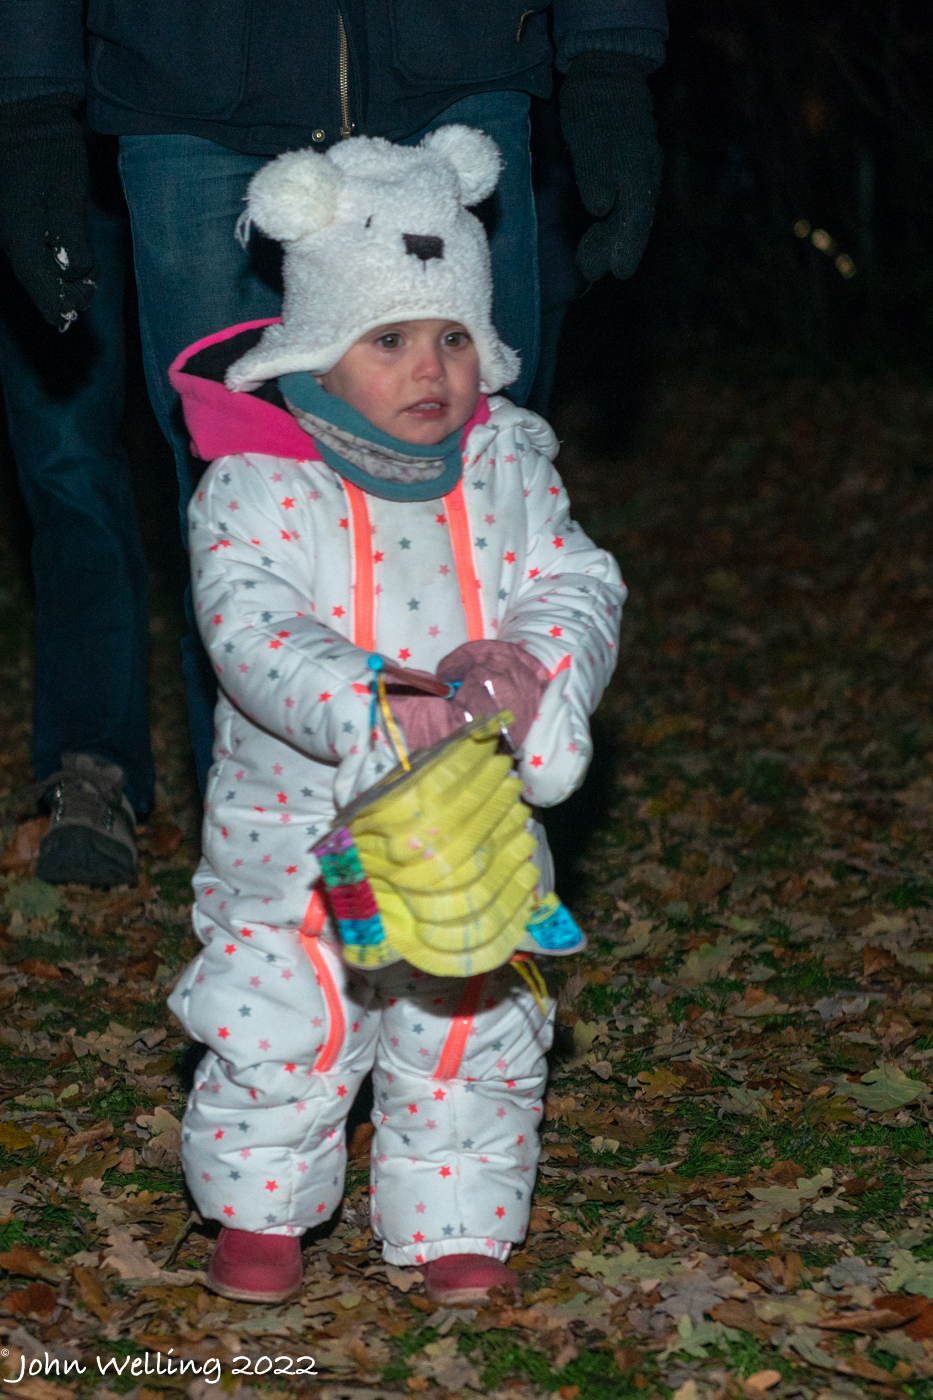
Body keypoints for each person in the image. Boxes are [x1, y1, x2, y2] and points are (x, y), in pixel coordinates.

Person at [165, 128, 625, 1304]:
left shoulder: (507, 466)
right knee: (284, 1014)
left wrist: (534, 668)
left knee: (465, 1018)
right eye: (392, 340)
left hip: (464, 826)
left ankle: (457, 1222)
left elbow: (575, 576)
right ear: (319, 349)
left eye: (455, 337)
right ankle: (260, 1206)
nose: (434, 368)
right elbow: (252, 625)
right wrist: (373, 694)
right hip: (295, 836)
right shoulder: (261, 481)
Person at [0, 1, 664, 791]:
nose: (426, 367)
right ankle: (288, 873)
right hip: (188, 82)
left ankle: (475, 857)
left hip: (461, 63)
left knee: (490, 505)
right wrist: (30, 99)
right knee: (241, 538)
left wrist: (608, 56)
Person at [0, 90, 153, 887]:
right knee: (64, 459)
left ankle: (278, 784)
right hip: (33, 121)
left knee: (241, 454)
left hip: (195, 100)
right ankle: (95, 770)